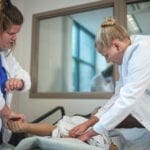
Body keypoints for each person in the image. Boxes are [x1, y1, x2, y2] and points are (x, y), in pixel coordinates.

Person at [68, 17, 150, 144]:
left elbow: (128, 99)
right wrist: (89, 122)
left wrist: (89, 134)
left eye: (106, 55)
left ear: (116, 45)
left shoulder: (143, 50)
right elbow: (119, 95)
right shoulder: (128, 58)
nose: (107, 61)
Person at [0, 0, 31, 143]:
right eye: (11, 33)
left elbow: (24, 75)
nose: (15, 38)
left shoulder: (5, 54)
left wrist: (19, 82)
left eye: (17, 33)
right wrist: (7, 113)